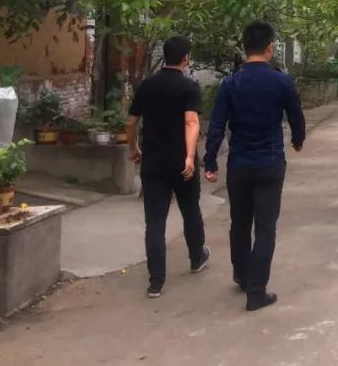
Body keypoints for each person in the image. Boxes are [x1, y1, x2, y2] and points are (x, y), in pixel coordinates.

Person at [204, 21, 306, 312]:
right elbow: (296, 116)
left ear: (244, 47)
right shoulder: (281, 81)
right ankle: (256, 292)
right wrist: (298, 140)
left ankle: (242, 275)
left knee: (239, 222)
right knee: (265, 227)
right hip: (270, 162)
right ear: (270, 47)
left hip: (239, 163)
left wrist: (210, 161)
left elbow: (217, 126)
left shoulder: (230, 83)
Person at [126, 36, 209, 299]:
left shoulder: (146, 86)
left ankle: (156, 282)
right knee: (190, 210)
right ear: (185, 58)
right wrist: (190, 156)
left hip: (153, 162)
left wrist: (133, 147)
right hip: (181, 163)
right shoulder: (189, 87)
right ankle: (196, 257)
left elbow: (131, 122)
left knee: (155, 221)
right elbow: (191, 122)